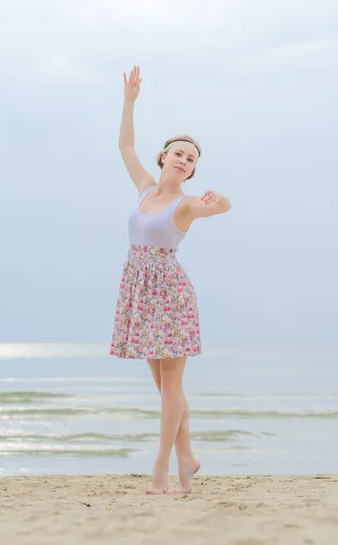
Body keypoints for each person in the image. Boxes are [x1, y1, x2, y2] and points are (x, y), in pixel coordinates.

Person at [110, 65, 232, 495]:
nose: (183, 160)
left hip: (170, 294)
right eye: (178, 153)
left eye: (191, 158)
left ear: (192, 171)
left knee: (172, 386)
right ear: (164, 157)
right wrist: (129, 102)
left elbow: (224, 207)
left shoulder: (185, 205)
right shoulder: (145, 189)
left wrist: (219, 199)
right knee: (163, 387)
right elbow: (125, 146)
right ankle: (187, 457)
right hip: (139, 292)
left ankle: (161, 468)